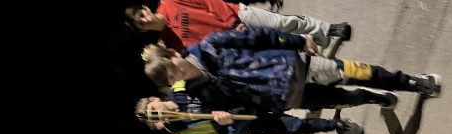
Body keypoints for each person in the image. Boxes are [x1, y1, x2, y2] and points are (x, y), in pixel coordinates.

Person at [142, 28, 442, 115]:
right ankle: (370, 98)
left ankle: (412, 82)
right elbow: (238, 108)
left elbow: (258, 36)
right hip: (289, 99)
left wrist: (298, 40)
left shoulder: (211, 45)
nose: (178, 74)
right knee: (348, 99)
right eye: (172, 79)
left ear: (173, 54)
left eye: (173, 67)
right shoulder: (201, 96)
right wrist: (227, 117)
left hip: (296, 67)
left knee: (359, 71)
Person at [125, 2, 350, 52]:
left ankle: (328, 28)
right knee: (279, 41)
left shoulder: (170, 2)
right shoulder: (170, 43)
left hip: (236, 15)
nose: (145, 19)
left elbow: (210, 2)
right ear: (142, 30)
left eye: (141, 14)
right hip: (237, 41)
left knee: (281, 23)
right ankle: (316, 36)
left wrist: (233, 22)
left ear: (145, 8)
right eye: (140, 23)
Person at [135, 92, 365, 134]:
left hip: (251, 97)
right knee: (294, 126)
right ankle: (336, 124)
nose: (159, 113)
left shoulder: (181, 89)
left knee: (302, 99)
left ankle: (340, 100)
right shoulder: (182, 129)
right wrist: (225, 125)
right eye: (155, 117)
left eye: (154, 109)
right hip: (247, 121)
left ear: (155, 99)